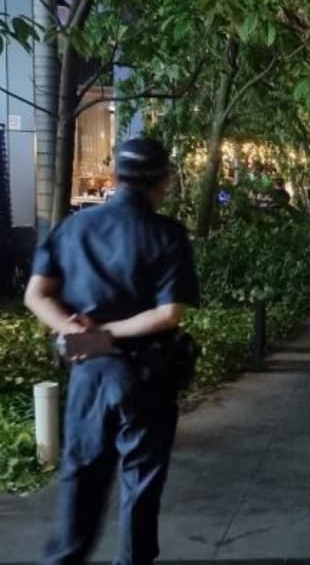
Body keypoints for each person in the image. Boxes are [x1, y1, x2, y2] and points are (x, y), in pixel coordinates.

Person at [24, 138, 200, 564]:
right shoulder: (166, 235)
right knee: (141, 483)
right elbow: (168, 314)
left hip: (89, 371)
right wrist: (109, 330)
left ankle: (65, 557)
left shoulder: (74, 226)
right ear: (161, 181)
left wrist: (79, 331)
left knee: (82, 478)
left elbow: (36, 294)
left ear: (118, 175)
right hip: (147, 375)